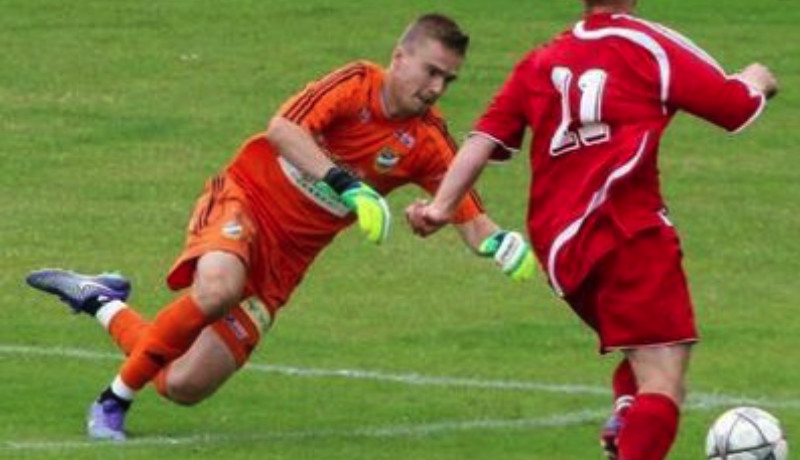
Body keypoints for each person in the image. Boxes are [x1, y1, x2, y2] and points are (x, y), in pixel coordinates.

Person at [26, 13, 535, 441]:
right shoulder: (355, 84)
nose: (437, 88)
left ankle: (100, 299)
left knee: (182, 385)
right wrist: (348, 185)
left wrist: (498, 243)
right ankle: (113, 401)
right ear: (399, 58)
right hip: (243, 203)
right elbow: (283, 130)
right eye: (431, 72)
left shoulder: (425, 140)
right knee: (218, 289)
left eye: (448, 80)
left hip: (281, 269)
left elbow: (464, 210)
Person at [405, 1, 778, 459]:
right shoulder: (648, 44)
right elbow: (733, 107)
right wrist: (757, 79)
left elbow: (483, 138)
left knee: (639, 352)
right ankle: (634, 427)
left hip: (560, 249)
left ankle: (626, 412)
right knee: (664, 377)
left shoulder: (541, 60)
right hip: (626, 230)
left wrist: (442, 207)